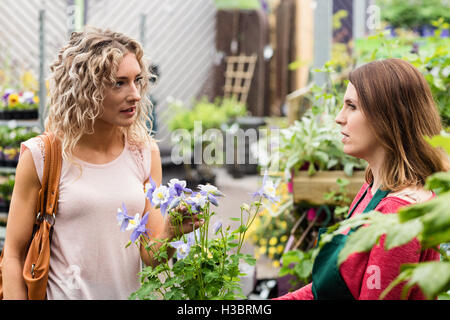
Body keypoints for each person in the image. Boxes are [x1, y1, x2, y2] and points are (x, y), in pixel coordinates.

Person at [1, 27, 200, 300]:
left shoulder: (144, 153)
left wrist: (172, 231)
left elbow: (151, 256)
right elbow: (12, 254)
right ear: (86, 89)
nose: (135, 94)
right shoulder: (42, 155)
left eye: (137, 80)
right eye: (119, 83)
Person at [275, 58, 449, 300]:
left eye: (352, 106)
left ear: (387, 118)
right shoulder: (371, 191)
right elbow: (323, 291)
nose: (339, 117)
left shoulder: (397, 217)